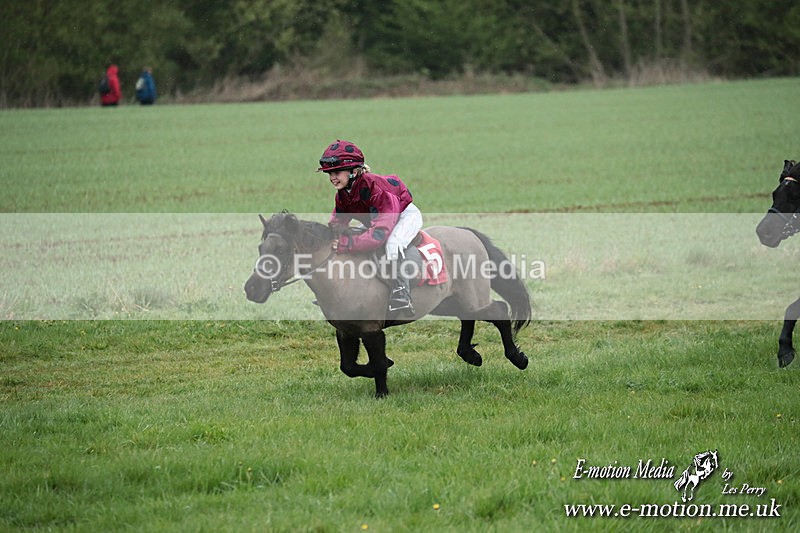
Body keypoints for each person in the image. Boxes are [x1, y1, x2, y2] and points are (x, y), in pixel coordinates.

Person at [319, 140, 423, 316]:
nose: (332, 178)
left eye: (336, 172)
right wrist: (335, 236)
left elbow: (379, 234)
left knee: (392, 244)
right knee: (351, 236)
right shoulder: (343, 193)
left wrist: (347, 244)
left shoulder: (376, 188)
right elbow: (337, 222)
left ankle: (401, 293)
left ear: (353, 171)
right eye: (329, 173)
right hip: (376, 219)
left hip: (404, 216)